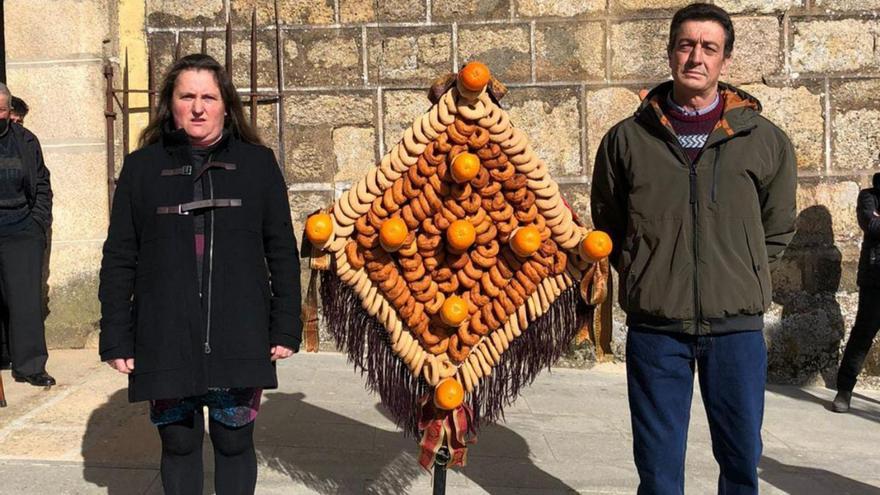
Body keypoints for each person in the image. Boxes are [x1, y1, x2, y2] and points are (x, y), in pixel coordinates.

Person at [591, 3, 797, 494]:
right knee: (659, 471)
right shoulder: (627, 139)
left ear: (725, 59)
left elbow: (778, 226)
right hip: (657, 329)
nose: (696, 57)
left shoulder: (764, 140)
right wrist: (646, 271)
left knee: (741, 462)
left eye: (709, 47)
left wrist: (741, 272)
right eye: (686, 45)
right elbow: (610, 222)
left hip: (736, 330)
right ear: (670, 52)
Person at [98, 53, 301, 495]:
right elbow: (119, 257)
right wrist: (116, 334)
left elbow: (282, 250)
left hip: (240, 328)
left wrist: (285, 324)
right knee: (179, 442)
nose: (197, 107)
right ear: (170, 104)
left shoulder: (257, 165)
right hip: (165, 330)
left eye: (208, 97)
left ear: (226, 105)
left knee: (233, 441)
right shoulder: (141, 168)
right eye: (186, 96)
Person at [0, 83, 54, 387]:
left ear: (9, 111)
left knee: (25, 301)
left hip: (21, 227)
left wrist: (37, 221)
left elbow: (42, 183)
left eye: (1, 109)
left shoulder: (25, 140)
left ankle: (30, 366)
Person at [832, 172, 880, 413]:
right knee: (862, 335)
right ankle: (844, 389)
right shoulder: (869, 196)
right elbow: (872, 225)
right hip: (875, 279)